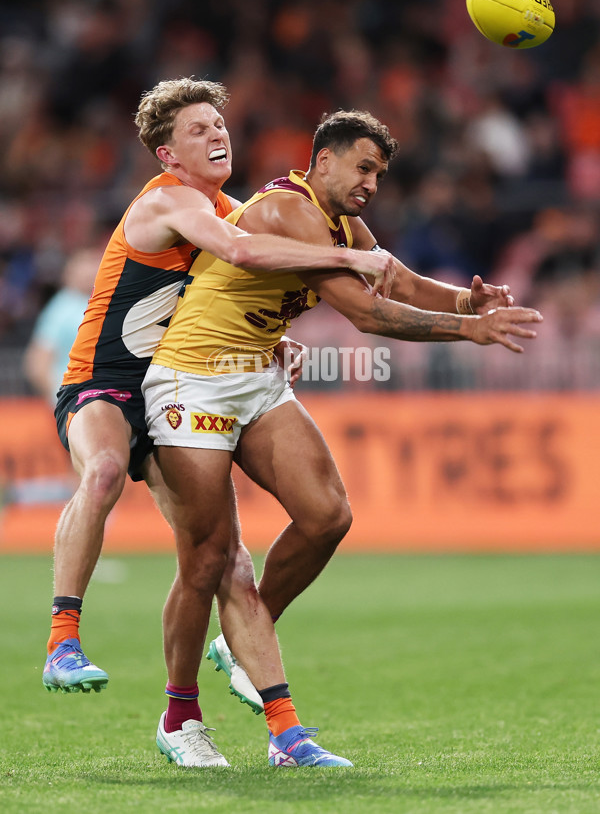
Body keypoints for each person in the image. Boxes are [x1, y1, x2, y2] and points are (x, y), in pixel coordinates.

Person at [142, 109, 543, 768]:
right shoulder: (284, 210)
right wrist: (462, 333)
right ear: (321, 161)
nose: (372, 184)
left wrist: (468, 303)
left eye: (379, 174)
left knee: (328, 515)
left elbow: (401, 282)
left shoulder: (342, 226)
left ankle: (243, 636)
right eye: (363, 168)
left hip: (257, 376)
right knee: (210, 559)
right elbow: (365, 311)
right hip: (193, 379)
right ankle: (180, 715)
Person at [42, 77, 397, 717]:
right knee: (102, 472)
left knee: (221, 559)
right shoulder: (167, 203)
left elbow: (236, 293)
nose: (218, 135)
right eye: (198, 129)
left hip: (167, 391)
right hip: (102, 381)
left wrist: (273, 337)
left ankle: (237, 719)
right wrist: (352, 261)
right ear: (167, 154)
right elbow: (242, 252)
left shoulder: (226, 209)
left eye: (220, 125)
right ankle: (63, 638)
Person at [24, 248, 101, 405]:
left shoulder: (101, 303)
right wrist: (58, 399)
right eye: (86, 264)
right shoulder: (61, 307)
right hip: (74, 401)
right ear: (71, 271)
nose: (92, 271)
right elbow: (37, 361)